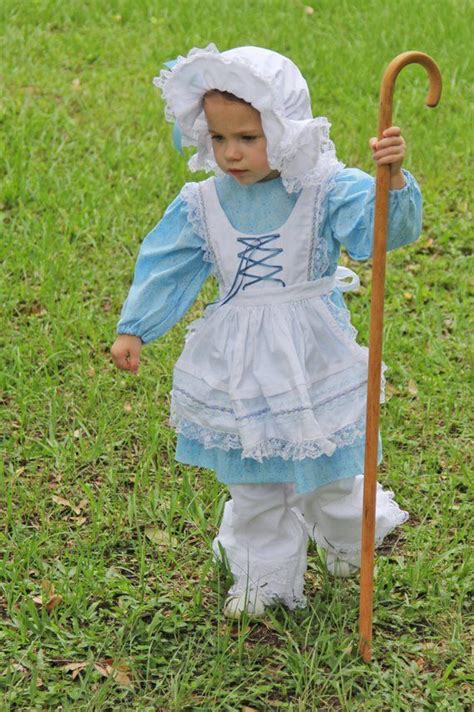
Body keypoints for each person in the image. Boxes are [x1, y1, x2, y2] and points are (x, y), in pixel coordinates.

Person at [111, 45, 422, 619]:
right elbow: (167, 264)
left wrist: (392, 178)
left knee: (327, 468)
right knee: (254, 478)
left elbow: (382, 231)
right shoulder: (203, 203)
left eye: (248, 138)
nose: (231, 153)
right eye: (220, 138)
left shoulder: (325, 188)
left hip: (310, 353)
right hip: (242, 363)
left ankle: (347, 535)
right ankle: (264, 575)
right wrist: (136, 328)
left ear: (285, 129)